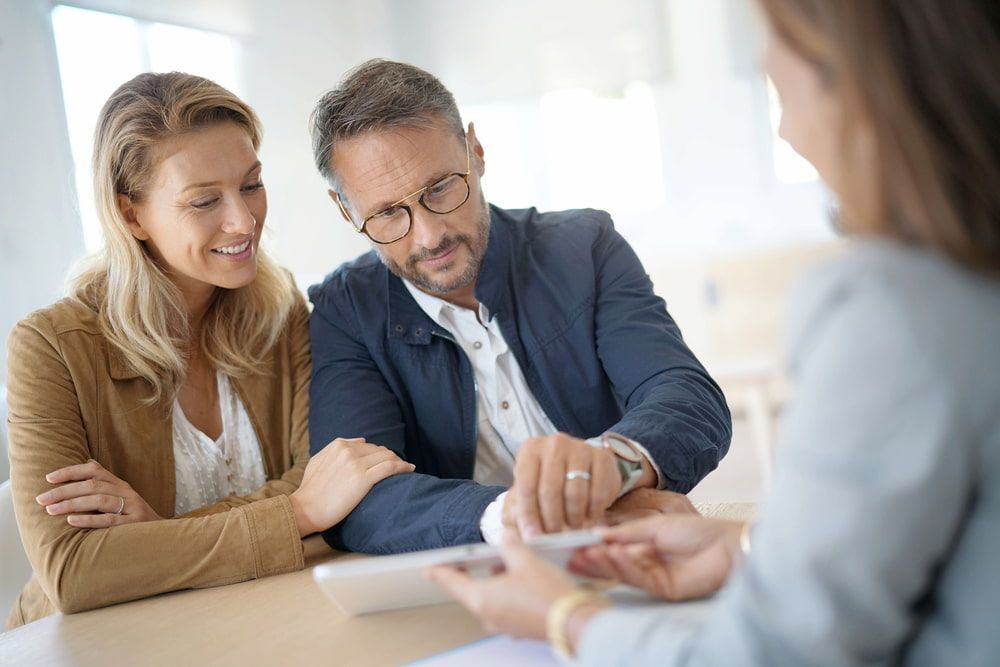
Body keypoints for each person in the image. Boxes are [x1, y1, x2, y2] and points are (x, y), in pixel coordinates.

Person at [428, 1, 1000, 664]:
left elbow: (776, 653)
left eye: (779, 69)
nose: (785, 126)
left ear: (860, 82)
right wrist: (748, 549)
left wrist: (567, 618)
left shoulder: (897, 314)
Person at [5, 72, 413, 629]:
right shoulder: (50, 349)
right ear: (130, 215)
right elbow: (75, 574)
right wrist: (295, 512)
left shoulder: (281, 311)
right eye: (203, 201)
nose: (244, 221)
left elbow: (333, 491)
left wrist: (158, 540)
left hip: (255, 621)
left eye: (251, 184)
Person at [306, 59, 732, 555]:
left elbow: (686, 397)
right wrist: (514, 517)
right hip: (469, 581)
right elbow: (359, 500)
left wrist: (610, 471)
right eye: (386, 213)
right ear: (346, 210)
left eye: (441, 187)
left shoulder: (586, 247)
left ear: (476, 151)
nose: (429, 235)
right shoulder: (344, 309)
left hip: (629, 546)